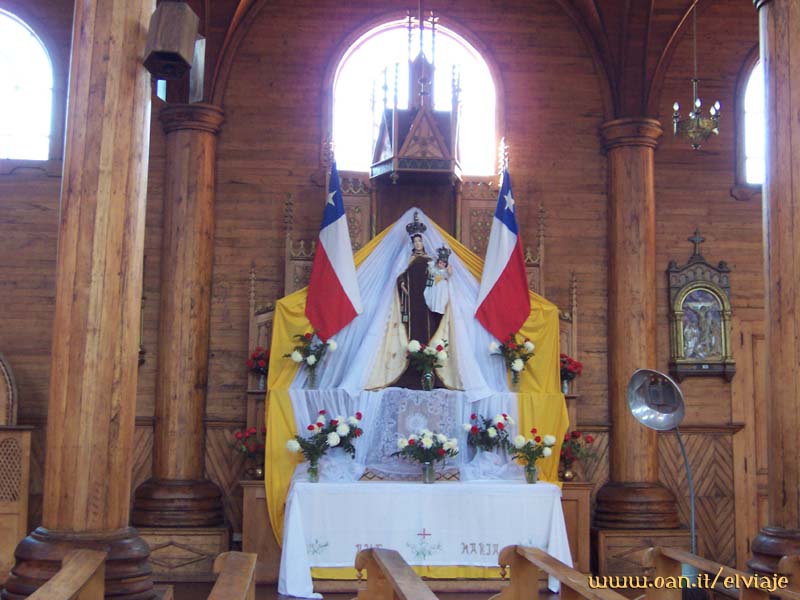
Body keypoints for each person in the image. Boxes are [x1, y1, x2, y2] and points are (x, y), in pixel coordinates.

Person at [424, 245, 453, 315]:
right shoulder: (434, 268)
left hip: (442, 286)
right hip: (434, 286)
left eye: (443, 264)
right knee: (433, 296)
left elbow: (449, 274)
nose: (441, 265)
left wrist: (449, 270)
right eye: (440, 263)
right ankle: (433, 307)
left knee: (441, 297)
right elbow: (430, 270)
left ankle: (439, 309)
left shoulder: (445, 271)